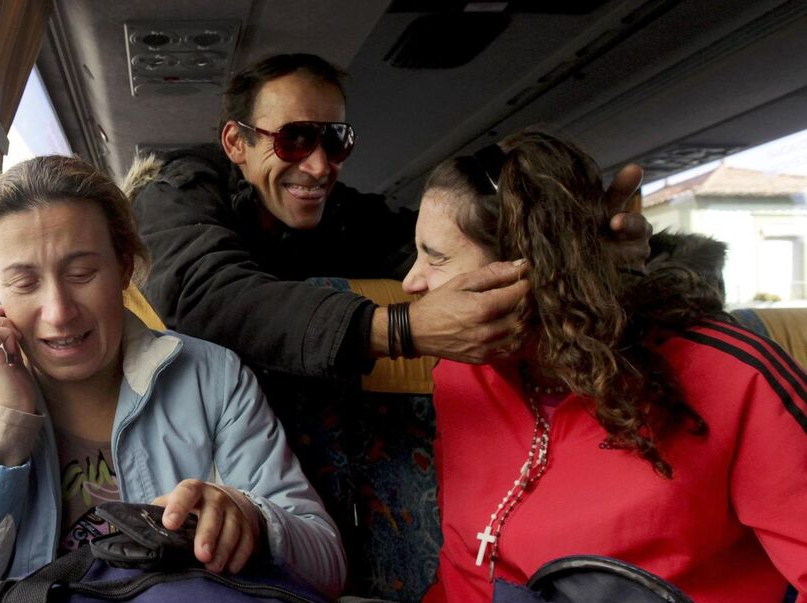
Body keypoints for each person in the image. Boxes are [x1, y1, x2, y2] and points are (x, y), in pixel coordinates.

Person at [0, 156, 345, 603]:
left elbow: (327, 562)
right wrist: (1, 437)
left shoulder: (212, 377)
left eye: (82, 273)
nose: (59, 312)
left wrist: (252, 521)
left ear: (124, 267)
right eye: (24, 283)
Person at [400, 131, 807, 603]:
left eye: (436, 257)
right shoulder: (460, 373)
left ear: (532, 266)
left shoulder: (733, 375)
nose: (411, 281)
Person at [127, 53, 651, 382]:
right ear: (236, 142)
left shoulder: (346, 213)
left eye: (335, 140)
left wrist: (582, 247)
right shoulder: (175, 195)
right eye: (294, 139)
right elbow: (203, 296)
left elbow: (454, 247)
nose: (318, 165)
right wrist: (399, 329)